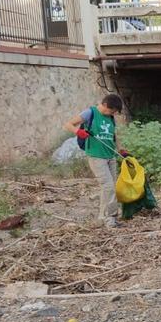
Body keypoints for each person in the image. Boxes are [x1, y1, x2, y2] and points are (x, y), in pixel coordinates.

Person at [63, 93, 129, 227]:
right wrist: (78, 132)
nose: (113, 114)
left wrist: (120, 149)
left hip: (110, 155)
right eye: (112, 111)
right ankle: (111, 219)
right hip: (96, 156)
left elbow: (113, 135)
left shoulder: (110, 117)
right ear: (104, 105)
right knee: (108, 187)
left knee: (109, 188)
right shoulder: (90, 113)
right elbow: (68, 124)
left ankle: (101, 218)